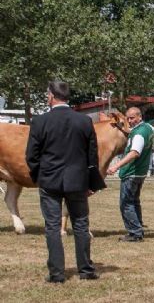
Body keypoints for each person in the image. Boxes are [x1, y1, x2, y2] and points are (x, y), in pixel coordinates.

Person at [26, 80, 99, 283]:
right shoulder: (84, 122)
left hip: (49, 180)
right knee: (81, 225)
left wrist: (38, 176)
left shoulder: (40, 121)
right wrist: (91, 183)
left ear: (50, 96)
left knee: (52, 227)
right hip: (77, 180)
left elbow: (31, 155)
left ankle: (57, 274)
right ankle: (85, 270)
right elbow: (92, 156)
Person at [107, 107, 154, 242]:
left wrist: (116, 166)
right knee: (134, 202)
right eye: (127, 118)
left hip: (132, 173)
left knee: (126, 203)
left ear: (139, 116)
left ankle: (135, 233)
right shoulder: (148, 128)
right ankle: (138, 229)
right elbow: (131, 132)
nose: (129, 121)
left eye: (132, 118)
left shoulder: (139, 133)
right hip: (141, 172)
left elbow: (134, 152)